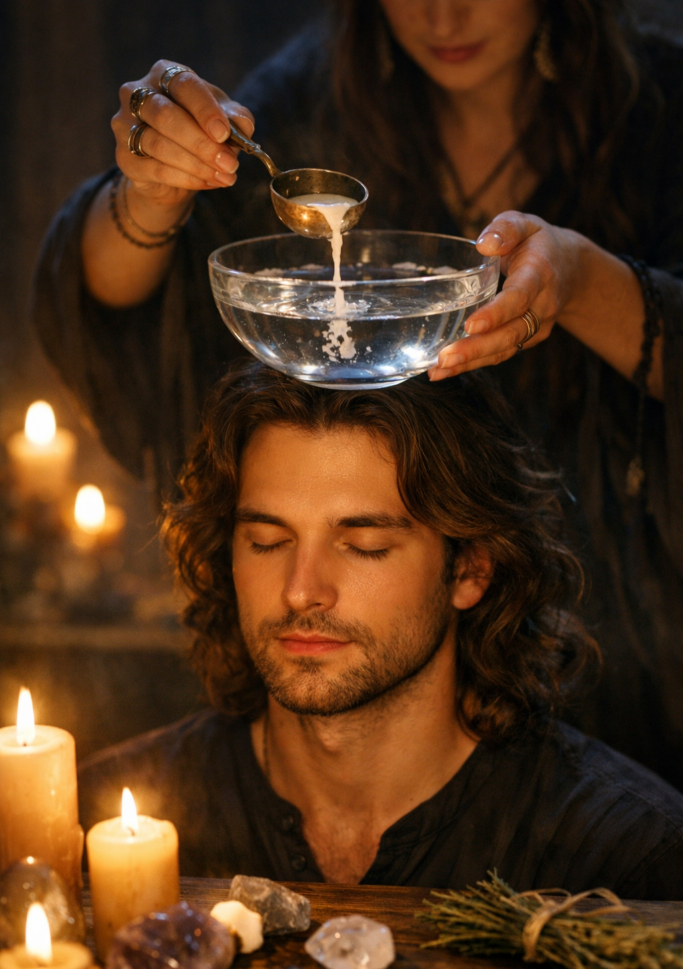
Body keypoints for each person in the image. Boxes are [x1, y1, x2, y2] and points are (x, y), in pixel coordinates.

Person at [34, 1, 683, 785]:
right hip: (362, 696)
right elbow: (116, 317)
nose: (443, 16)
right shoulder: (310, 95)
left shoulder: (659, 111)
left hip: (629, 645)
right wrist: (150, 194)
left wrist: (579, 282)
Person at [77, 364, 683, 896]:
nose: (300, 590)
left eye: (364, 545)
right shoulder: (101, 823)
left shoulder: (628, 859)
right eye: (267, 541)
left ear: (470, 569)